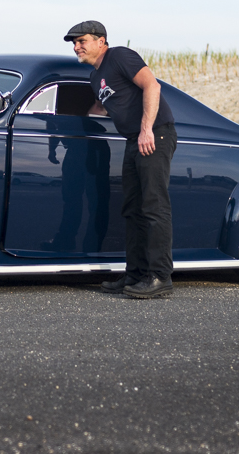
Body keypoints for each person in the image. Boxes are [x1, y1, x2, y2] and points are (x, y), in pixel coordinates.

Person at [64, 20, 177, 299]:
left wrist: (147, 129)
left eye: (82, 41)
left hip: (154, 135)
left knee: (153, 206)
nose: (77, 47)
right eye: (74, 43)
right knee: (133, 209)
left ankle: (160, 276)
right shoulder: (95, 77)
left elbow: (152, 86)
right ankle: (136, 273)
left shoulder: (119, 56)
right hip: (133, 140)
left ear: (101, 41)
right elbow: (102, 108)